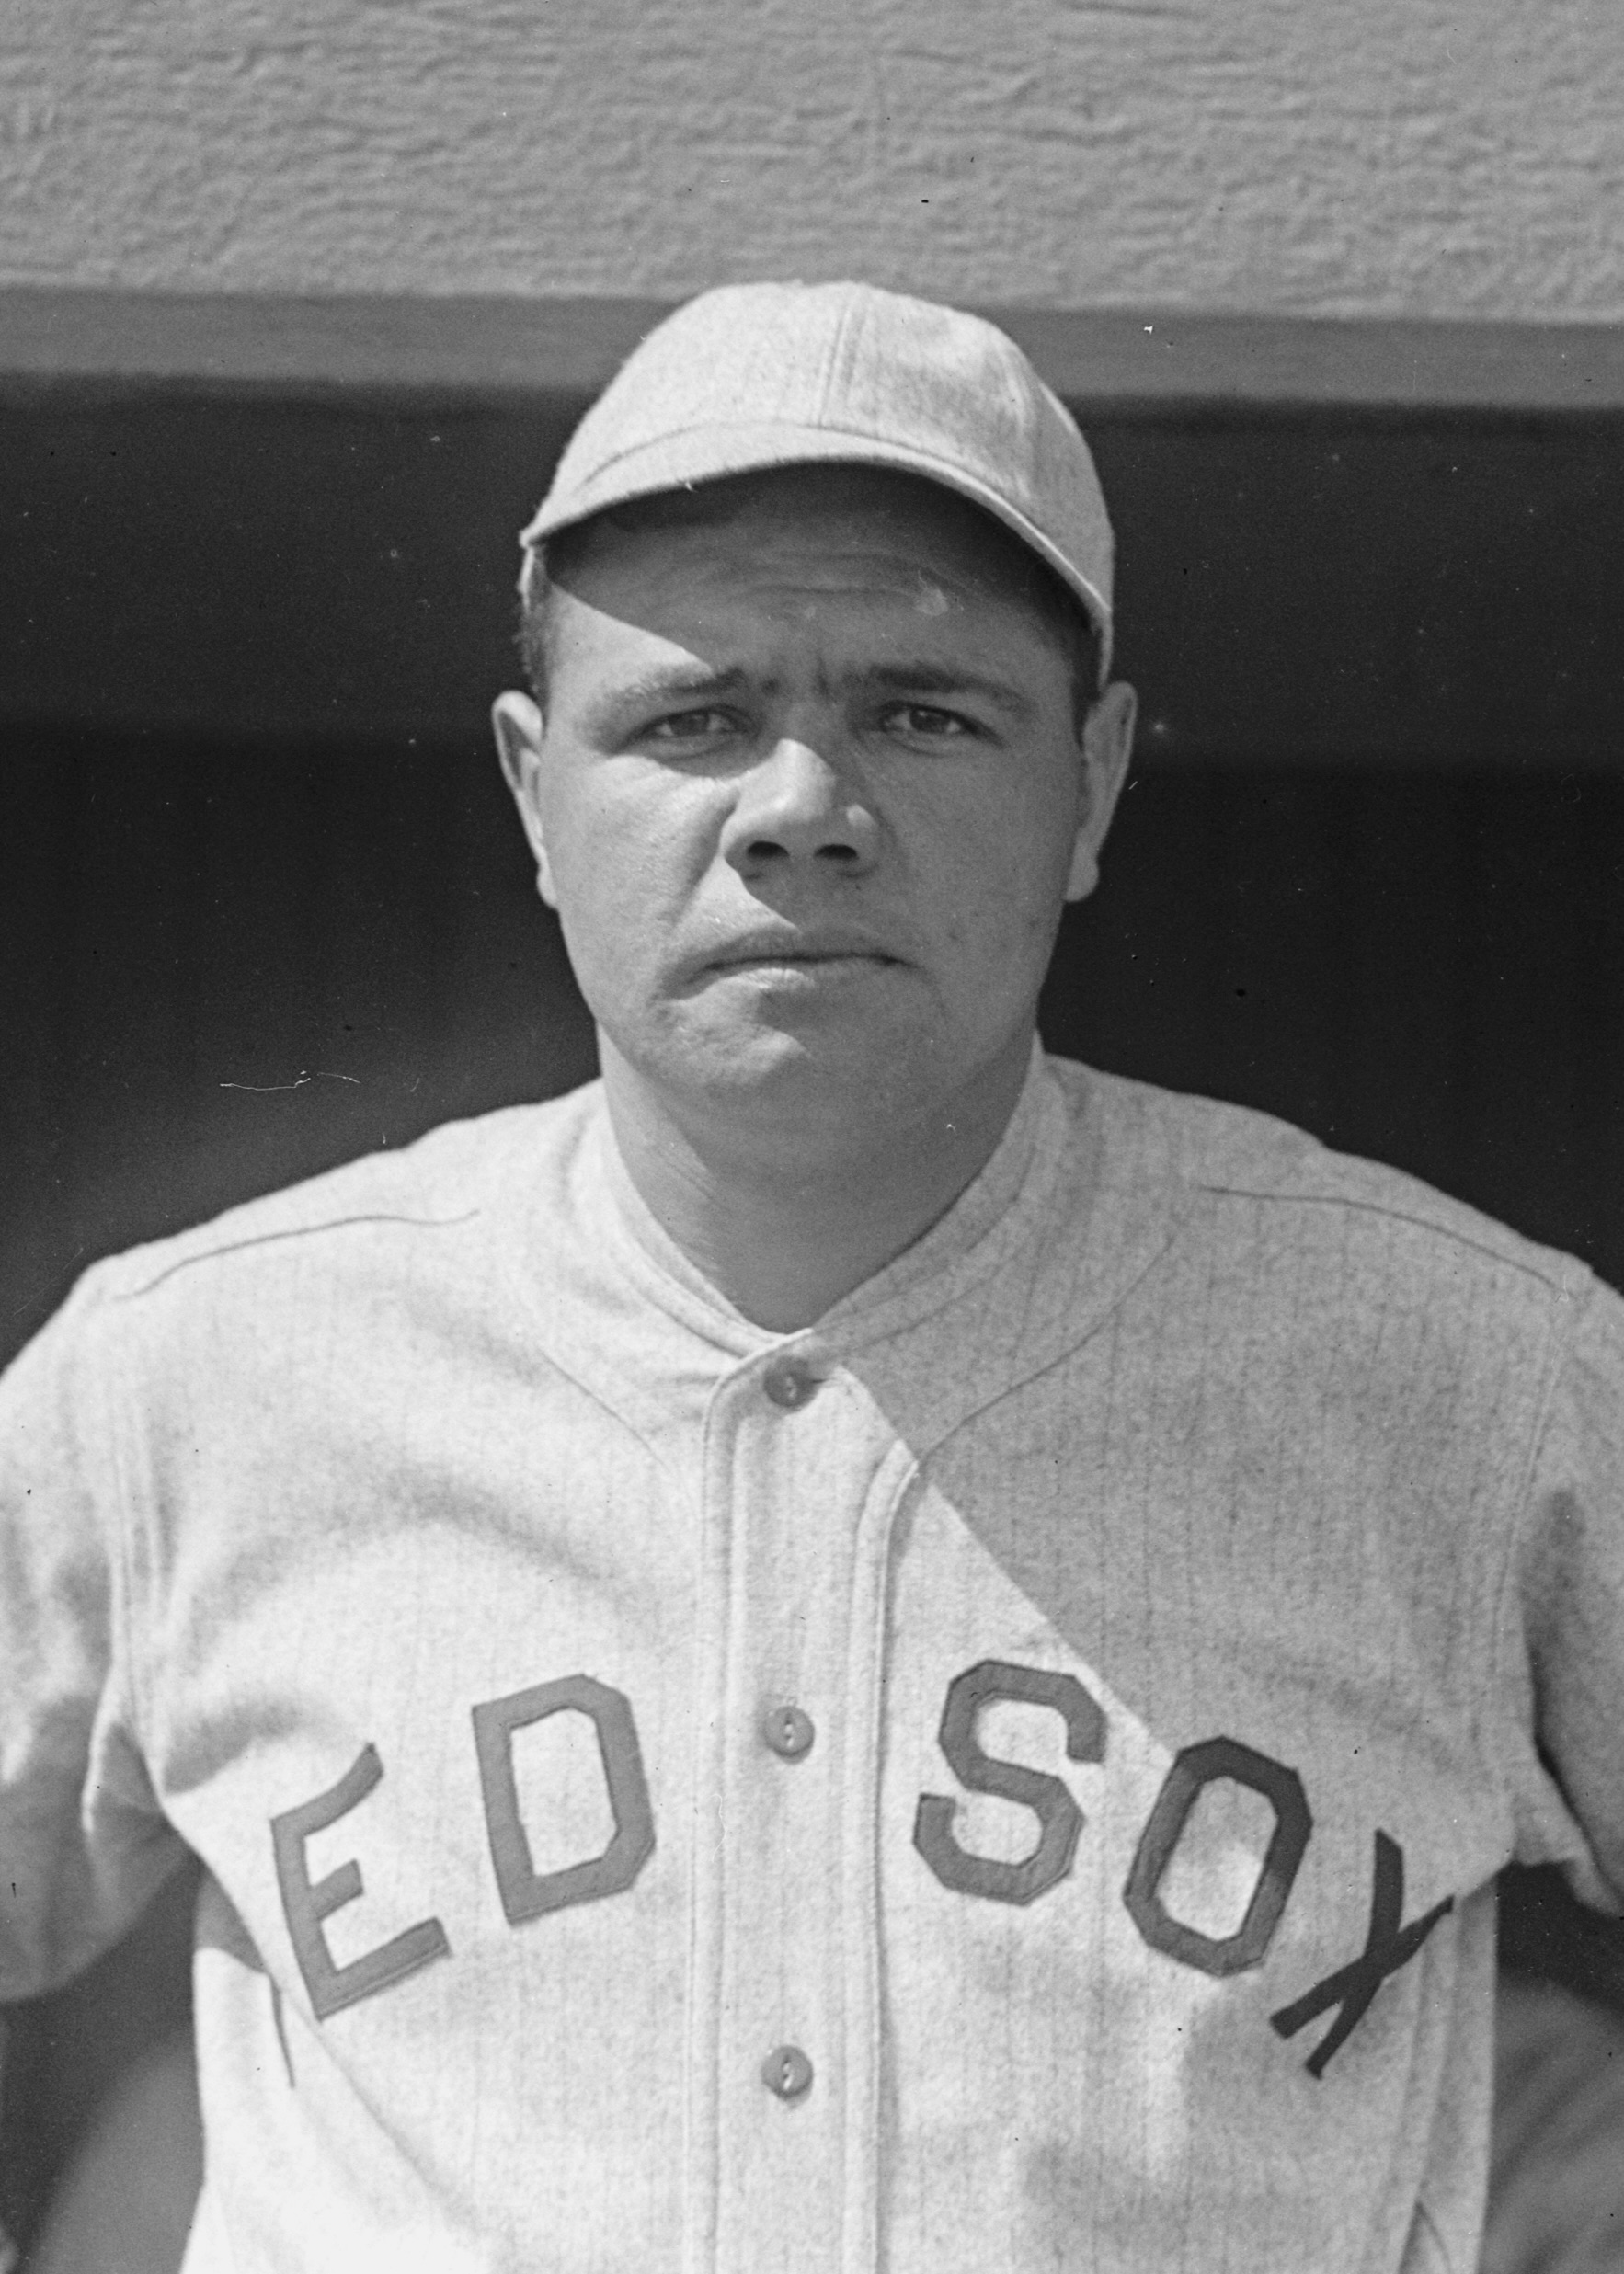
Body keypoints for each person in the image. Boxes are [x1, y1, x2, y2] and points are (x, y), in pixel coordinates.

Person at [3, 278, 1622, 2274]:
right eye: (690, 716)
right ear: (533, 791)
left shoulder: (1473, 1374)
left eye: (921, 712)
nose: (799, 811)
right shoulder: (199, 1375)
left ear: (1094, 782)